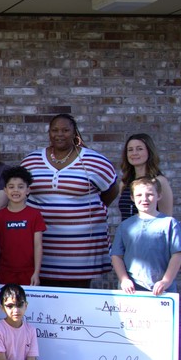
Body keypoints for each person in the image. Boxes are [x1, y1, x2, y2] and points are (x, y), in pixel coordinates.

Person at [20, 114, 119, 288]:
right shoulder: (31, 161)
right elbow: (20, 193)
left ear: (75, 133)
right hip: (43, 244)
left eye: (65, 130)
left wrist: (84, 212)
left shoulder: (94, 161)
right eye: (55, 130)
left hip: (80, 249)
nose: (60, 134)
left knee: (77, 299)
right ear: (49, 133)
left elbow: (111, 190)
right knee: (45, 295)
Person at [110, 177, 181, 296]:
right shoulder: (124, 226)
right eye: (139, 195)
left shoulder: (170, 223)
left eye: (149, 194)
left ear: (159, 196)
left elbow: (177, 255)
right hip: (131, 291)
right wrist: (124, 279)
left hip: (161, 291)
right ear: (132, 198)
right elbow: (116, 256)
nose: (144, 199)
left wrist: (166, 281)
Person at [0, 167, 46, 286]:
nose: (16, 190)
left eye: (20, 187)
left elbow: (38, 245)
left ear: (27, 190)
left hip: (28, 273)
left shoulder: (35, 215)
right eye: (11, 187)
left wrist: (36, 273)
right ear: (5, 190)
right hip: (4, 273)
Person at [118, 133, 174, 219]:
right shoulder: (124, 183)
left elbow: (166, 218)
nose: (134, 153)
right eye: (130, 150)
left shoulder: (159, 181)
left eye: (139, 149)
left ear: (149, 151)